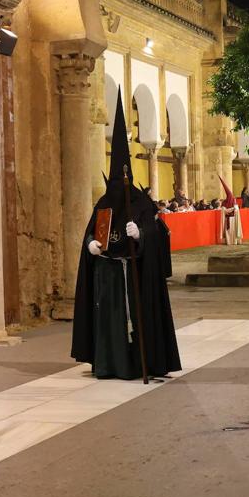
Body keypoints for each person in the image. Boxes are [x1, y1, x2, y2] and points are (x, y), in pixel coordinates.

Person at [72, 89, 181, 380]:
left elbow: (158, 235)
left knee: (137, 322)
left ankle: (140, 364)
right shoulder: (104, 203)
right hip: (107, 276)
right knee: (109, 323)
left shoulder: (141, 203)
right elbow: (91, 232)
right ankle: (109, 364)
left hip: (134, 275)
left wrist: (141, 234)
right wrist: (91, 245)